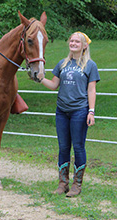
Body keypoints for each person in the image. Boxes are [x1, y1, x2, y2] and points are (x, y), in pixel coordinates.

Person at [39, 32, 100, 197]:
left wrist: (91, 111)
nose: (73, 43)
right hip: (62, 111)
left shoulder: (90, 65)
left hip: (80, 111)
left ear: (84, 45)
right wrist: (40, 78)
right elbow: (53, 85)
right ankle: (62, 183)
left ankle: (76, 185)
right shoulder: (62, 63)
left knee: (78, 147)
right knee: (63, 147)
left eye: (77, 41)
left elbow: (91, 89)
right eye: (71, 41)